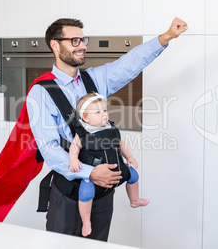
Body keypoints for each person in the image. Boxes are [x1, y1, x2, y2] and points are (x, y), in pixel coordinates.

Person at [26, 17, 187, 241]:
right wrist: (90, 173)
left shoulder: (94, 79)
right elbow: (48, 148)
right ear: (55, 45)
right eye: (74, 40)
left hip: (103, 194)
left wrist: (166, 36)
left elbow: (130, 64)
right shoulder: (41, 92)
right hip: (70, 195)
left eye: (83, 40)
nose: (82, 45)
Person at [69, 92, 150, 237]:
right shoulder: (84, 132)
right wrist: (74, 160)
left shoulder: (110, 128)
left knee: (133, 175)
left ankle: (134, 199)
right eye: (98, 112)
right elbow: (74, 147)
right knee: (85, 193)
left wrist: (129, 157)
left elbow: (121, 144)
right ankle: (86, 221)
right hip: (94, 177)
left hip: (117, 170)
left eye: (105, 111)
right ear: (85, 118)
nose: (104, 115)